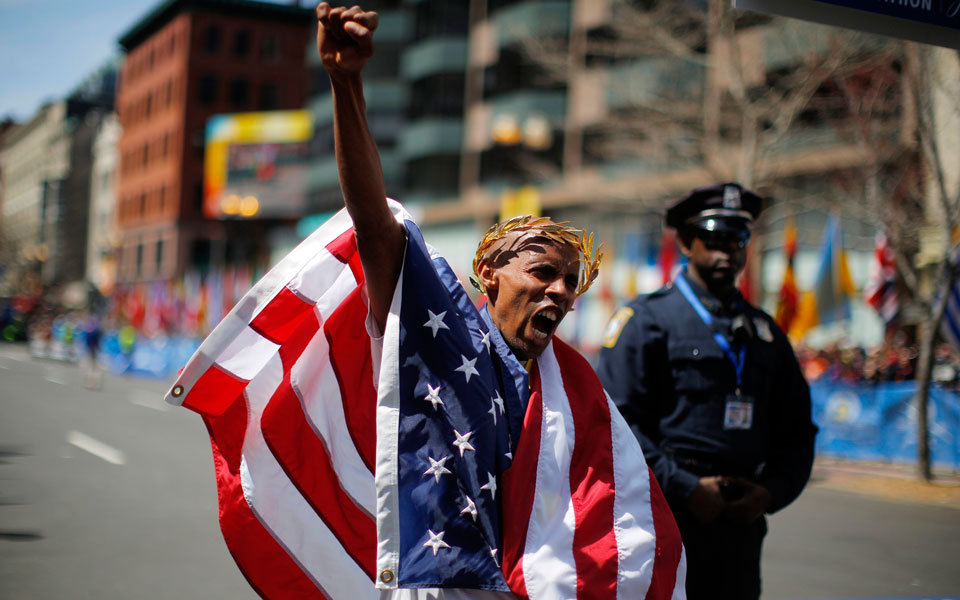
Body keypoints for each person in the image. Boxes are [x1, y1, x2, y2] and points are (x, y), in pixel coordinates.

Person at [165, 4, 684, 599]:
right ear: (488, 273)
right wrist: (346, 81)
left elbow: (614, 511)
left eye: (572, 282)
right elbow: (373, 220)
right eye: (544, 272)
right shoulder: (435, 334)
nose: (561, 292)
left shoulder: (574, 388)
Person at [597, 183, 817, 599]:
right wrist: (685, 487)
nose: (727, 250)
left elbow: (798, 430)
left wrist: (772, 492)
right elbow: (614, 424)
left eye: (737, 239)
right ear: (685, 242)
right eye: (713, 238)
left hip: (741, 521)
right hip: (664, 514)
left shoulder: (766, 332)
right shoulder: (645, 320)